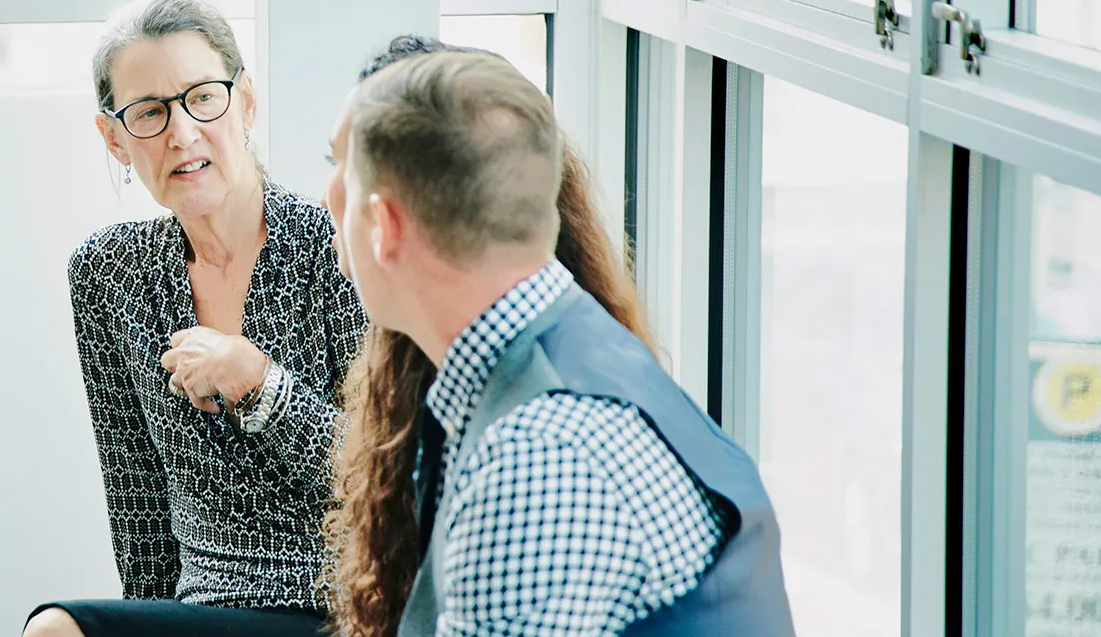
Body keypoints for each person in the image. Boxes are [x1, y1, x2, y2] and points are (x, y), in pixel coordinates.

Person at [322, 51, 793, 635]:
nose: (328, 198)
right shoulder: (562, 351)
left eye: (343, 174)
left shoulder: (539, 459)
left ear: (386, 227)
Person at [29, 0, 362, 637]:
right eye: (149, 113)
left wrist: (259, 385)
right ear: (115, 139)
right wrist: (142, 622)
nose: (181, 133)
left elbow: (383, 475)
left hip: (338, 604)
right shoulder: (108, 273)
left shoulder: (337, 249)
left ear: (246, 102)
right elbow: (138, 501)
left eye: (203, 98)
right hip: (197, 609)